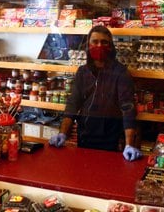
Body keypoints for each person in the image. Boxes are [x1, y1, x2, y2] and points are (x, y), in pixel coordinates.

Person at [49, 26, 142, 161]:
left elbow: (128, 109)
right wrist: (63, 133)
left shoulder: (121, 73)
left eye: (104, 42)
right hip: (85, 134)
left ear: (111, 47)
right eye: (95, 42)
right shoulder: (82, 72)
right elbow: (73, 104)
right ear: (88, 44)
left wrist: (129, 145)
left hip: (111, 136)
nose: (99, 46)